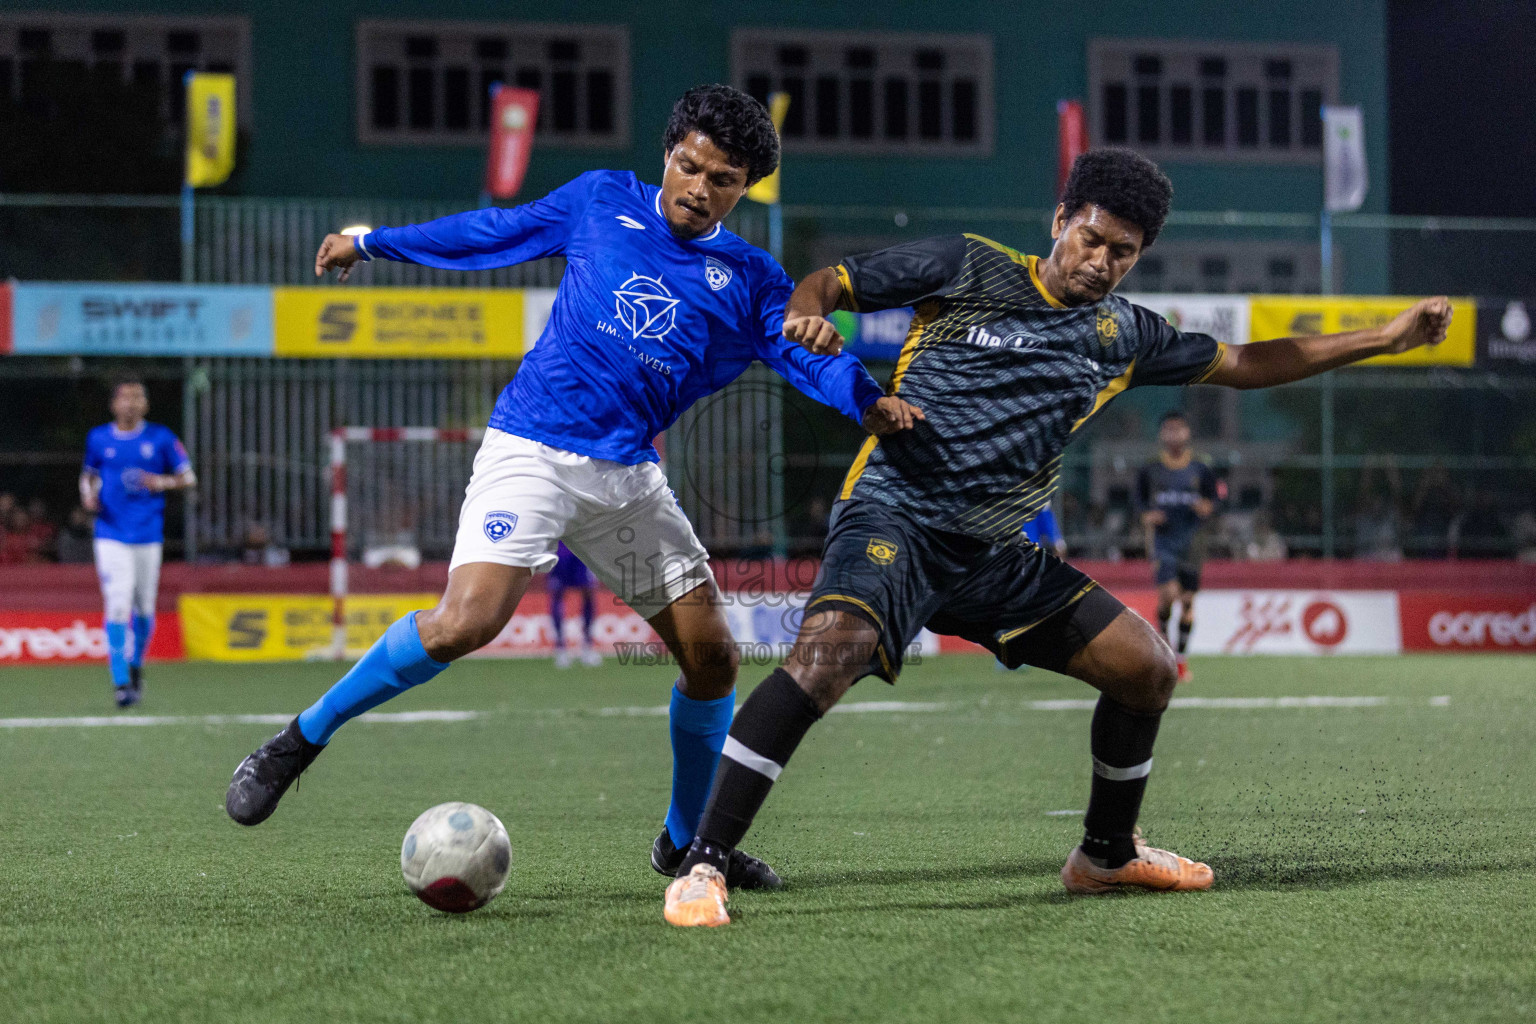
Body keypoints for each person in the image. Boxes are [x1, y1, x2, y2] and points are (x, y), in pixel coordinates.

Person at [663, 147, 1453, 925]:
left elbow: (1247, 360)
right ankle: (705, 862)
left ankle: (1105, 855)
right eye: (1092, 239)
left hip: (994, 553)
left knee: (1146, 667)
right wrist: (807, 309)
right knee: (826, 656)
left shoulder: (1125, 335)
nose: (1102, 262)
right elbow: (833, 281)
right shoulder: (966, 266)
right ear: (1061, 221)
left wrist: (1382, 338)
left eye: (1124, 253)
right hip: (894, 517)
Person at [224, 85, 921, 893]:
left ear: (744, 187)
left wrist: (870, 402)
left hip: (626, 476)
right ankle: (296, 743)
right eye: (689, 165)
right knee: (465, 623)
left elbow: (813, 360)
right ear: (667, 152)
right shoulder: (599, 202)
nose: (698, 188)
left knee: (714, 660)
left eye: (721, 179)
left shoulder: (752, 279)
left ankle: (686, 843)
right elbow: (494, 232)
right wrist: (372, 243)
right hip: (532, 449)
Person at [80, 377, 196, 707]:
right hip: (110, 532)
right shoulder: (99, 438)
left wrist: (158, 480)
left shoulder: (161, 438)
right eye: (125, 398)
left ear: (145, 404)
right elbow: (88, 475)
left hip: (147, 534)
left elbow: (188, 477)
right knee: (117, 601)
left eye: (137, 397)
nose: (131, 403)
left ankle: (136, 666)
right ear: (114, 404)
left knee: (144, 606)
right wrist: (88, 496)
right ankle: (120, 682)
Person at [1135, 411, 1218, 683]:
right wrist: (1147, 515)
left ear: (1187, 433)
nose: (1174, 435)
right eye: (1169, 430)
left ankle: (1180, 660)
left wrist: (1206, 507)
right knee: (1168, 596)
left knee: (1188, 602)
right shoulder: (1151, 468)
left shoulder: (1201, 467)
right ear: (1162, 434)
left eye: (1179, 429)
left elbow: (1214, 499)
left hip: (1193, 541)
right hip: (1164, 540)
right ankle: (1164, 647)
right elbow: (1138, 502)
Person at [548, 542, 601, 668]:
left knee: (588, 593)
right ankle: (561, 648)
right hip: (560, 547)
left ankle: (587, 646)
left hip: (582, 547)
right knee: (557, 593)